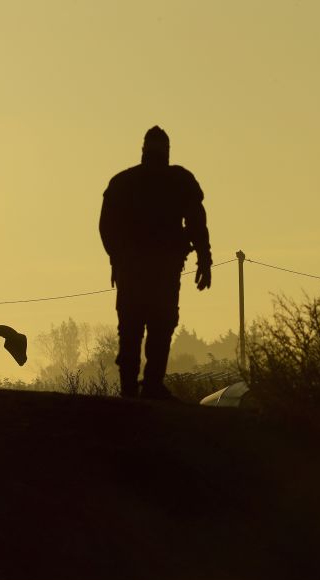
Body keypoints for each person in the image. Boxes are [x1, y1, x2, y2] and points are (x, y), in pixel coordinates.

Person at [99, 127, 212, 399]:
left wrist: (118, 259)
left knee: (133, 327)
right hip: (160, 269)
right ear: (167, 151)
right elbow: (197, 223)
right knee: (158, 326)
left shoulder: (123, 183)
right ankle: (148, 385)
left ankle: (133, 388)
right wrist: (204, 260)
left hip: (136, 270)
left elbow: (106, 228)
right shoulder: (179, 181)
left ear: (143, 150)